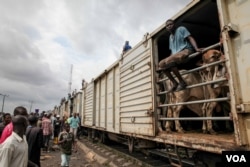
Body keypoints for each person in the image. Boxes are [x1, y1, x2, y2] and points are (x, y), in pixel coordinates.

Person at [158, 19, 202, 92]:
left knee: (169, 60)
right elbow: (172, 51)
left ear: (174, 24)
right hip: (176, 54)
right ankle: (174, 83)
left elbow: (190, 38)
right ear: (166, 28)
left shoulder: (181, 29)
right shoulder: (170, 37)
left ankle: (182, 82)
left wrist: (196, 48)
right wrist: (166, 60)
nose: (169, 26)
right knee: (161, 64)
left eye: (170, 24)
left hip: (186, 50)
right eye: (167, 25)